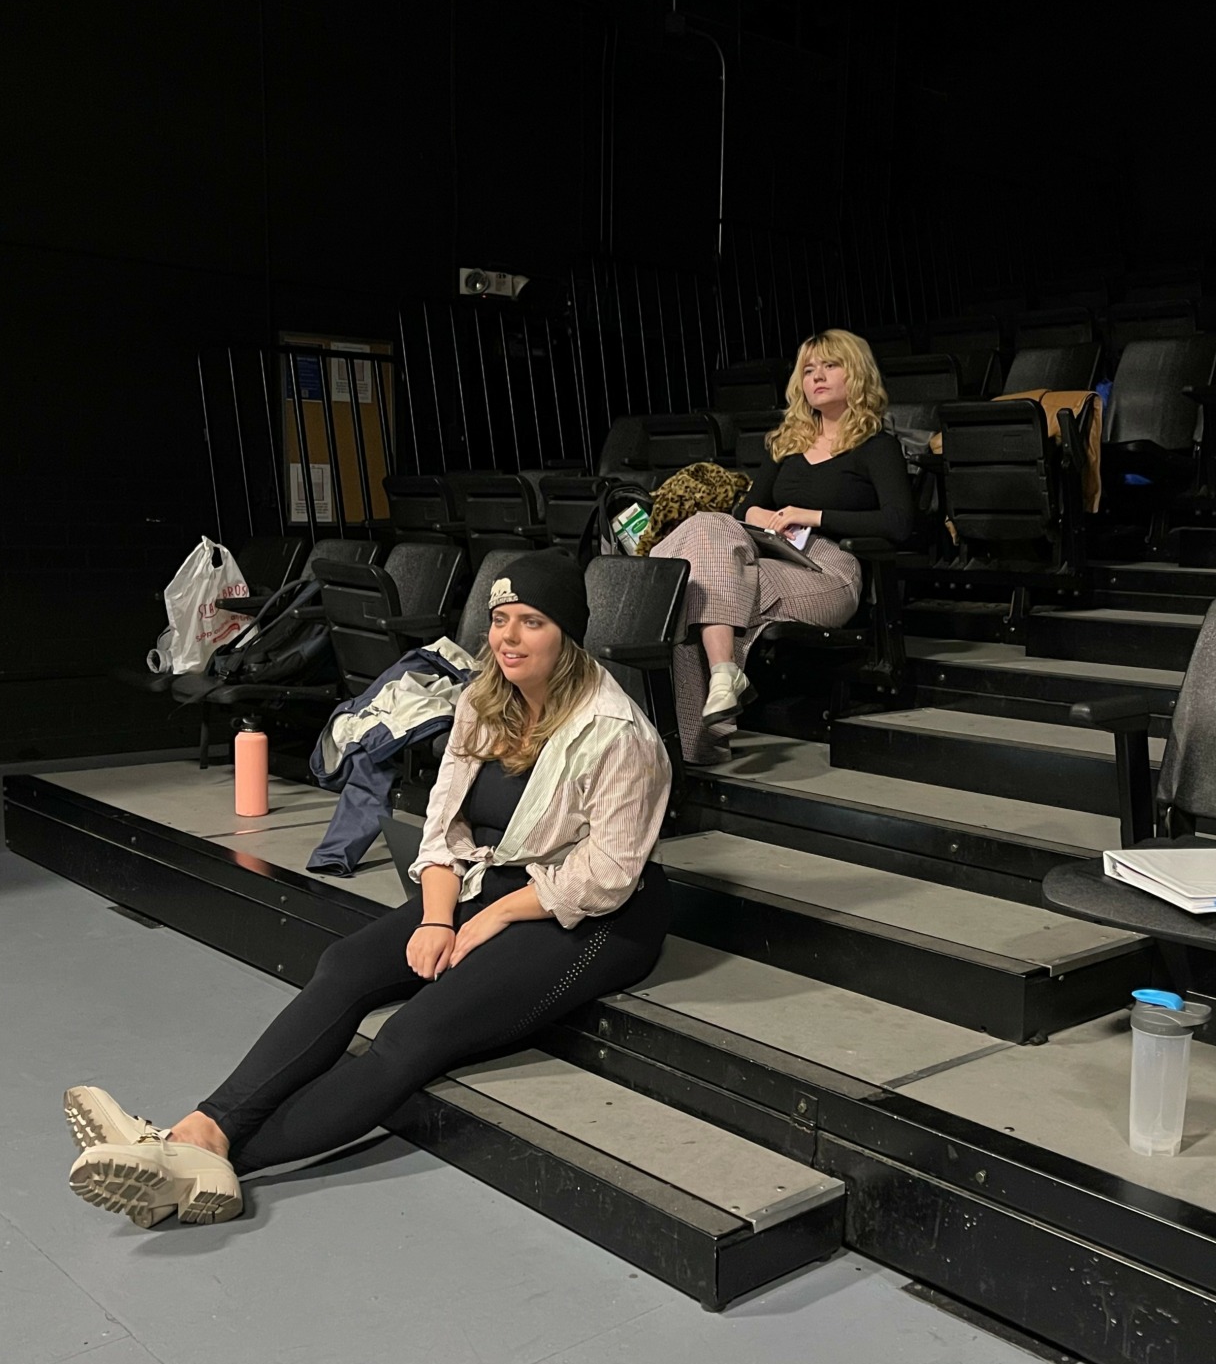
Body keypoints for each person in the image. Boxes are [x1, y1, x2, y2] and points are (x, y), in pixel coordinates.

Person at [63, 549, 673, 1227]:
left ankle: (200, 1161)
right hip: (496, 877)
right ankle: (202, 1132)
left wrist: (493, 916)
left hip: (597, 918)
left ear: (567, 635)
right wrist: (437, 918)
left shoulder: (617, 731)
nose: (508, 637)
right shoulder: (483, 701)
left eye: (532, 622)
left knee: (415, 1032)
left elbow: (607, 874)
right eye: (501, 619)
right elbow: (442, 828)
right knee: (345, 966)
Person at [650, 328, 913, 765]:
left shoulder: (876, 446)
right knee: (705, 556)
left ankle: (700, 742)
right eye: (808, 370)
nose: (817, 377)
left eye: (830, 366)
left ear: (857, 374)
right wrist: (765, 518)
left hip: (830, 568)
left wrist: (811, 516)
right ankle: (723, 676)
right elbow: (747, 508)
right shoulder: (788, 444)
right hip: (773, 552)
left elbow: (899, 523)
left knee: (696, 588)